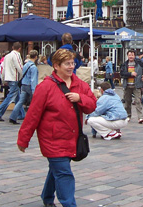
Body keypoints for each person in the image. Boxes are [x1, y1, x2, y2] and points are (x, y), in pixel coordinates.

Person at [17, 49, 96, 207]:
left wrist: (80, 98)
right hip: (52, 139)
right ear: (56, 66)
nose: (71, 67)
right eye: (67, 64)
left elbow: (92, 105)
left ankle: (47, 197)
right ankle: (69, 204)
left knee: (58, 169)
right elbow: (33, 115)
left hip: (72, 138)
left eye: (72, 63)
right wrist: (23, 139)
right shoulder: (45, 87)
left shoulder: (79, 84)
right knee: (64, 173)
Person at [0, 42, 23, 122]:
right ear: (19, 48)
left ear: (13, 47)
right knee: (11, 96)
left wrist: (3, 79)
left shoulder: (7, 56)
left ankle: (21, 113)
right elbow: (19, 67)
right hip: (14, 78)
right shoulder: (16, 55)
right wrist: (23, 74)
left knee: (18, 97)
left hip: (8, 77)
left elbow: (3, 68)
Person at [9, 50, 39, 124]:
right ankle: (33, 118)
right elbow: (33, 80)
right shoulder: (34, 67)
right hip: (29, 86)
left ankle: (13, 117)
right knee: (34, 103)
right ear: (36, 57)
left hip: (23, 85)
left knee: (20, 102)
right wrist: (34, 90)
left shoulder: (25, 65)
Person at [120, 50, 143, 123]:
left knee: (138, 101)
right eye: (129, 55)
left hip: (136, 85)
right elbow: (122, 73)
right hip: (127, 85)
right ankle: (128, 115)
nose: (131, 56)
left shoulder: (139, 63)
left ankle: (140, 117)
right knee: (127, 101)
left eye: (132, 55)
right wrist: (130, 74)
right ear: (127, 56)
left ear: (135, 56)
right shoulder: (124, 64)